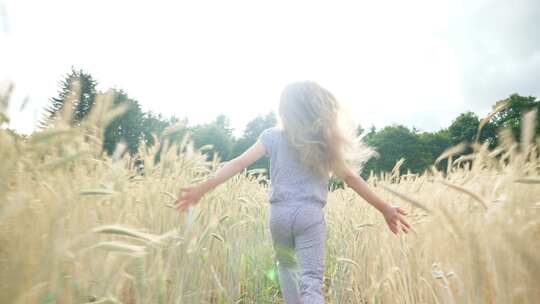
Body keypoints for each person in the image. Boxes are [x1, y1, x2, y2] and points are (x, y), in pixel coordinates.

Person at [175, 81, 411, 304]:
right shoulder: (323, 144)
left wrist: (204, 187)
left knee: (286, 269)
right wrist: (385, 208)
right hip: (309, 215)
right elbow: (350, 178)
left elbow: (238, 163)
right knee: (311, 281)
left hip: (279, 215)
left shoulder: (271, 137)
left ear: (284, 110)